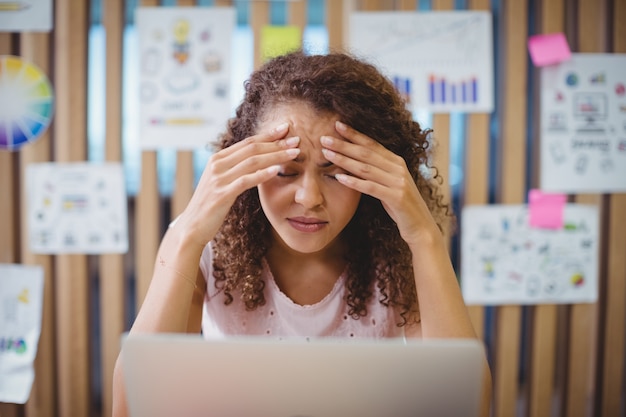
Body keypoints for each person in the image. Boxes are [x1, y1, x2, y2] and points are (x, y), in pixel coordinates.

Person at [112, 50, 492, 416]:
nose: (309, 198)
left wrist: (425, 236)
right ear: (248, 167)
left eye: (335, 172)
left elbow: (467, 405)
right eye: (285, 171)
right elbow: (132, 408)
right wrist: (188, 235)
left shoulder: (396, 250)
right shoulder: (205, 249)